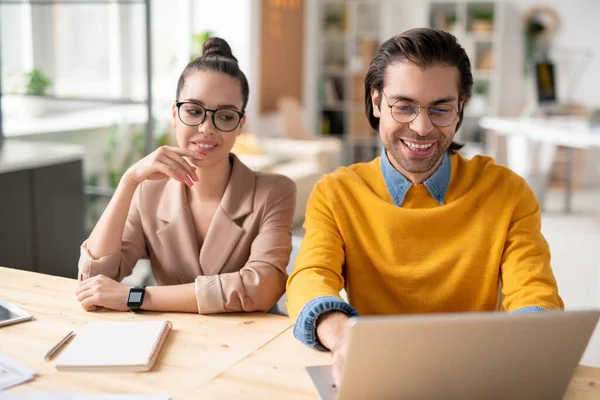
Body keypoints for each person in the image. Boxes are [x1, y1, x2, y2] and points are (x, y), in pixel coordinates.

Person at [285, 28, 563, 384]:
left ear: (460, 106)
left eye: (441, 109)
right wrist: (342, 336)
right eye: (404, 106)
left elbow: (533, 289)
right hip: (377, 375)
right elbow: (310, 276)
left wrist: (527, 343)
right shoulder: (336, 193)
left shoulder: (508, 193)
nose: (421, 127)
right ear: (375, 101)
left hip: (478, 377)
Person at [76, 37, 296, 314]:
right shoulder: (149, 192)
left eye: (225, 116)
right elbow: (94, 279)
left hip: (247, 341)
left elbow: (261, 288)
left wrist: (136, 297)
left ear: (241, 125)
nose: (206, 128)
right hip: (168, 337)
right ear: (174, 114)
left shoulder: (275, 191)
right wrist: (129, 181)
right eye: (193, 111)